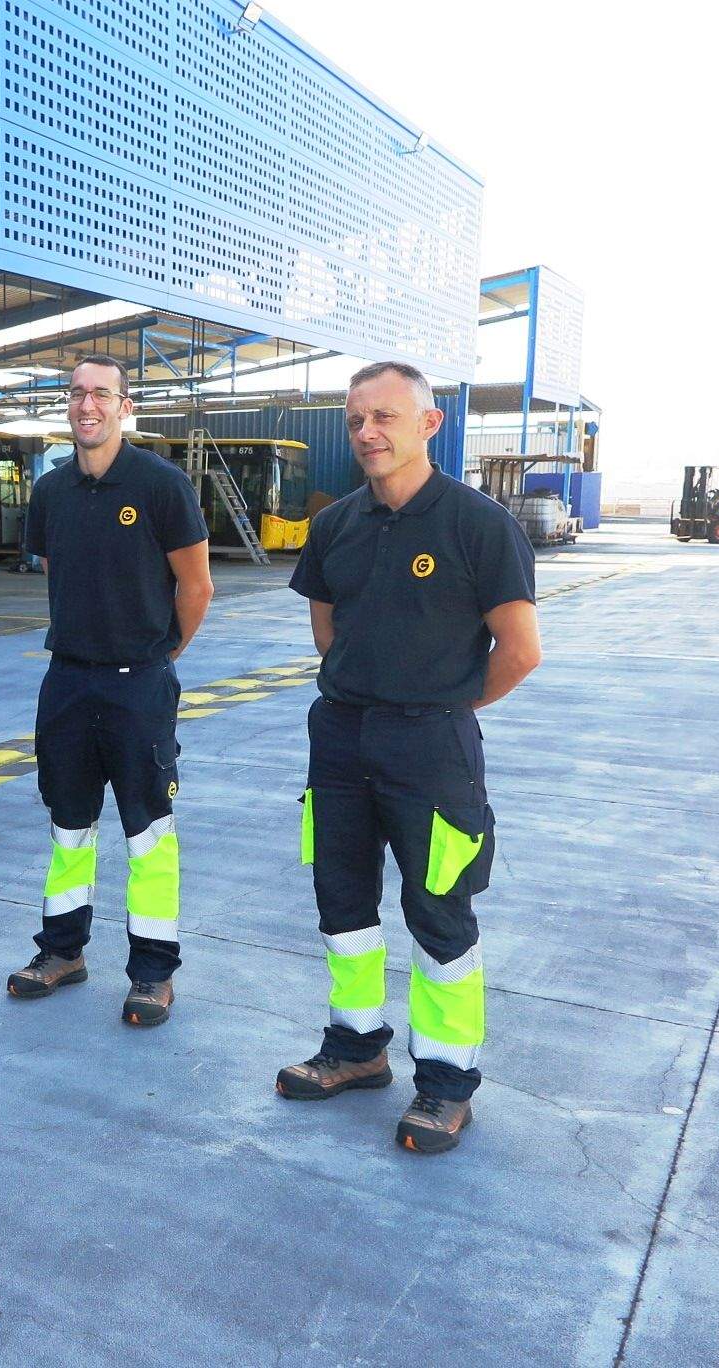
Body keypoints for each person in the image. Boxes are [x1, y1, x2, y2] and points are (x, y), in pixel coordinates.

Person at [278, 360, 540, 1155]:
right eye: (357, 419)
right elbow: (328, 626)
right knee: (343, 901)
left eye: (385, 417)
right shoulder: (336, 524)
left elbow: (520, 650)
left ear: (429, 425)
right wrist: (369, 694)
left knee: (439, 913)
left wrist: (440, 703)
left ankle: (446, 1082)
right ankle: (357, 1048)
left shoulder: (477, 523)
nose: (367, 433)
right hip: (342, 738)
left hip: (430, 744)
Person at [5, 354, 213, 1027]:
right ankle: (62, 951)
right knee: (69, 827)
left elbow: (196, 585)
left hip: (138, 686)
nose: (86, 405)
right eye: (76, 393)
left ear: (125, 406)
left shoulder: (161, 485)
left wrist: (158, 653)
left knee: (148, 832)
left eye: (101, 394)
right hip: (66, 680)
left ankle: (153, 972)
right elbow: (55, 570)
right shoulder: (51, 492)